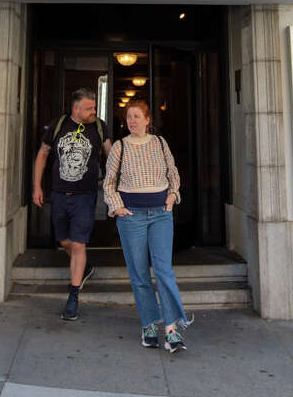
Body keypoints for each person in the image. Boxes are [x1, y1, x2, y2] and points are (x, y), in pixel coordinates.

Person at [104, 99, 191, 353]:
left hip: (161, 215)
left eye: (137, 116)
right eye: (129, 117)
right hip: (131, 216)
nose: (132, 121)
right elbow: (109, 182)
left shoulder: (160, 143)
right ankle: (149, 325)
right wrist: (116, 206)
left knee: (164, 272)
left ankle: (172, 329)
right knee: (140, 274)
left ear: (147, 119)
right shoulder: (120, 147)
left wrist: (173, 196)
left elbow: (173, 173)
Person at [32, 86, 111, 320]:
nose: (93, 111)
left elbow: (112, 156)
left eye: (94, 107)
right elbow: (42, 154)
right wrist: (37, 186)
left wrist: (114, 184)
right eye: (89, 108)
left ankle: (73, 297)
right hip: (58, 194)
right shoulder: (59, 125)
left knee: (78, 244)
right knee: (64, 240)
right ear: (76, 108)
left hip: (85, 196)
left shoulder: (99, 126)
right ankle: (84, 269)